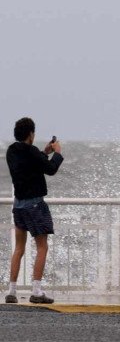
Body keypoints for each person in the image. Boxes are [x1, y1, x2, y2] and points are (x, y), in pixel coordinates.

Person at [5, 118, 63, 304]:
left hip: (18, 206)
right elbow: (51, 169)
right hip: (35, 206)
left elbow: (31, 161)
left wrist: (44, 152)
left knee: (19, 248)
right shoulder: (31, 152)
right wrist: (57, 154)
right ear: (31, 133)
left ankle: (11, 291)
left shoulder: (12, 151)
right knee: (42, 247)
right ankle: (36, 291)